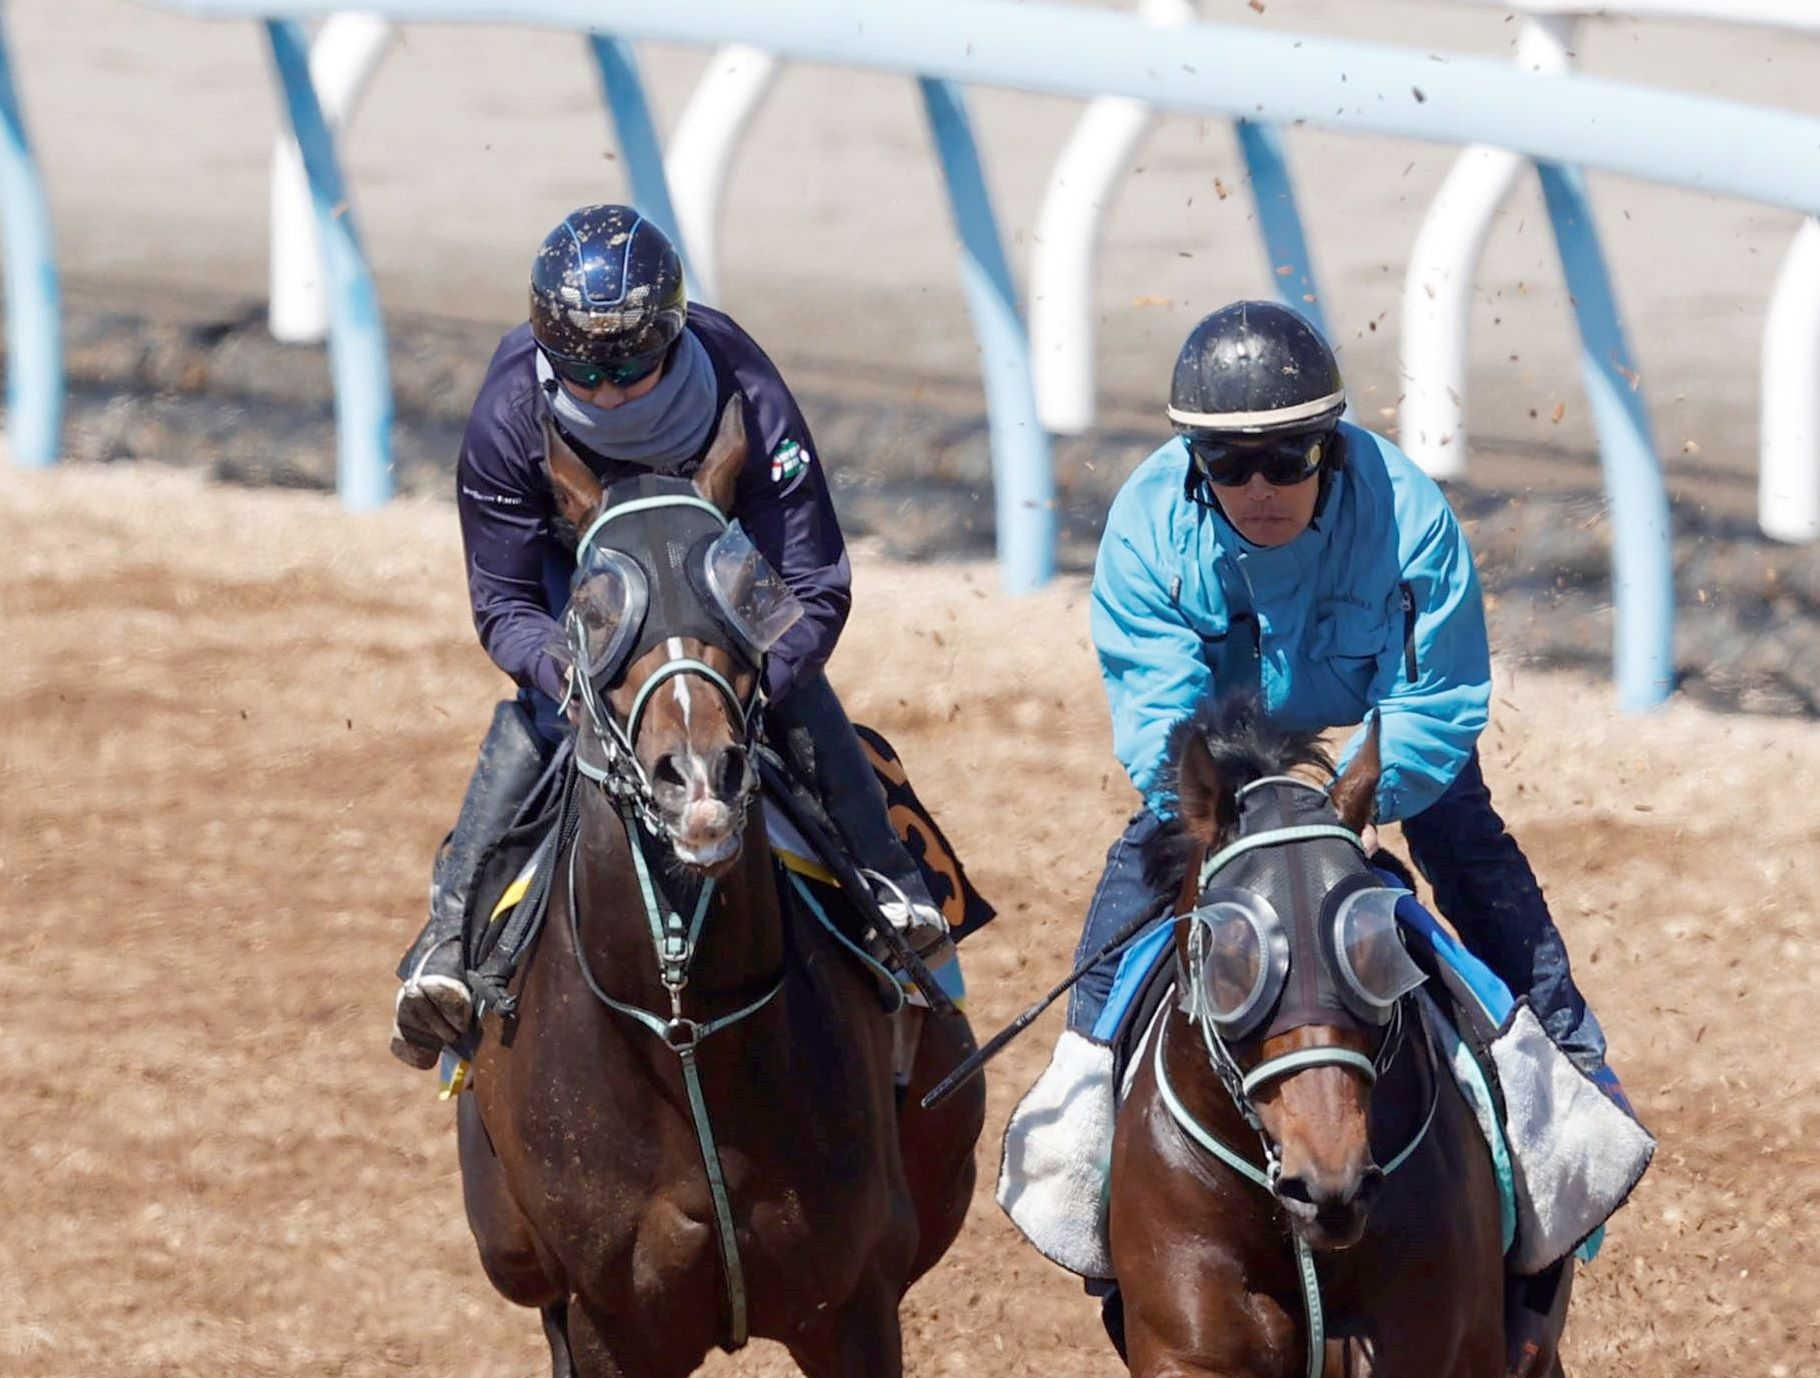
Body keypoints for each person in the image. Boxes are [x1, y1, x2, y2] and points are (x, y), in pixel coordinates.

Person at [391, 203, 944, 1068]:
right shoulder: (509, 412)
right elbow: (504, 602)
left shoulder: (741, 382)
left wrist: (754, 680)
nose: (607, 391)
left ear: (672, 338)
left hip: (723, 576)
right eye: (582, 372)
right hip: (589, 591)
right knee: (537, 724)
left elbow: (813, 581)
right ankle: (451, 943)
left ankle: (889, 885)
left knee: (798, 693)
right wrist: (570, 679)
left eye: (631, 368)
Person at [1068, 297, 1618, 1089]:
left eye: (1288, 457)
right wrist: (1229, 810)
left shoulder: (1410, 515)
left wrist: (1339, 809)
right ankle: (1081, 1087)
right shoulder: (1145, 527)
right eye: (1227, 463)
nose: (1259, 487)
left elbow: (1430, 700)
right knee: (1139, 875)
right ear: (1193, 457)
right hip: (1228, 751)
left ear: (1329, 445)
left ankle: (1574, 1067)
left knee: (1466, 846)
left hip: (1381, 728)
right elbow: (1163, 717)